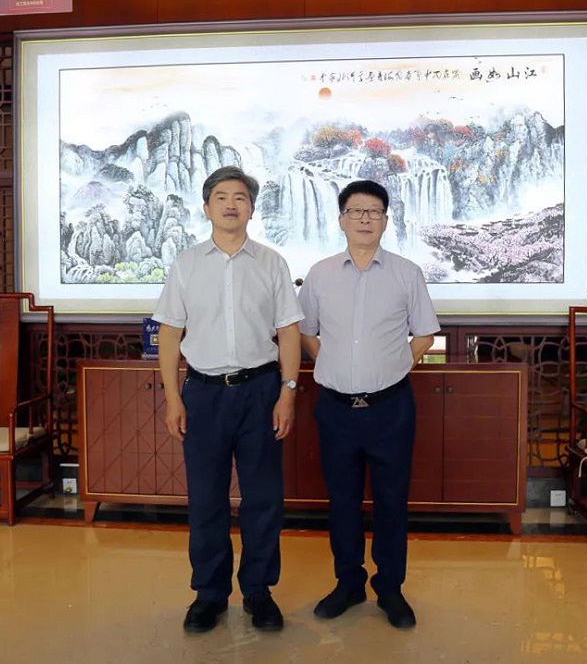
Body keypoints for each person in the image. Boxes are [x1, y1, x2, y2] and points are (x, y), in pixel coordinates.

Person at [153, 166, 303, 634]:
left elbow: (288, 331)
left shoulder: (272, 263)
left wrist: (288, 393)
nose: (231, 204)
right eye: (221, 197)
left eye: (240, 197)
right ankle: (210, 594)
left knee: (263, 498)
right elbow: (170, 334)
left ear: (252, 208)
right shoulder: (186, 264)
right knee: (206, 499)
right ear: (207, 207)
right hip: (203, 394)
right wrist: (173, 398)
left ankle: (259, 591)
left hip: (261, 391)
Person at [297, 179, 440, 629]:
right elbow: (305, 331)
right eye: (356, 211)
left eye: (374, 211)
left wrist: (394, 365)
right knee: (342, 501)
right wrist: (331, 361)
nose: (365, 219)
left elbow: (424, 334)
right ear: (341, 220)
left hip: (390, 408)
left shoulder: (406, 273)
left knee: (391, 501)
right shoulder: (320, 274)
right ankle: (348, 583)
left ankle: (390, 588)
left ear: (385, 220)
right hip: (335, 408)